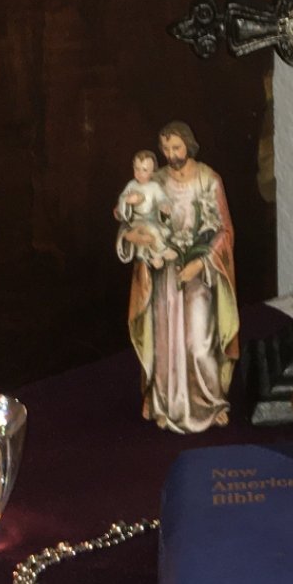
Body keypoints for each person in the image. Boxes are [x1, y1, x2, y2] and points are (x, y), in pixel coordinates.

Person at [118, 121, 239, 432]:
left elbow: (224, 231)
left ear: (189, 145)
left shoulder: (208, 180)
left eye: (176, 148)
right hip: (163, 274)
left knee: (199, 341)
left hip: (199, 272)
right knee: (165, 343)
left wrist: (200, 263)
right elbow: (133, 219)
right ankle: (163, 404)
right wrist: (135, 234)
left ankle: (211, 402)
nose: (171, 154)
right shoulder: (153, 181)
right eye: (166, 149)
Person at [114, 151, 177, 269]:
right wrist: (127, 201)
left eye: (144, 170)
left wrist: (164, 205)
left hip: (151, 219)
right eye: (137, 169)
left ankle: (156, 257)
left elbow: (162, 198)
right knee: (150, 232)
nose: (140, 174)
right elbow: (121, 201)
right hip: (136, 220)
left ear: (152, 172)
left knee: (154, 233)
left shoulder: (154, 187)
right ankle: (161, 252)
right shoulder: (131, 185)